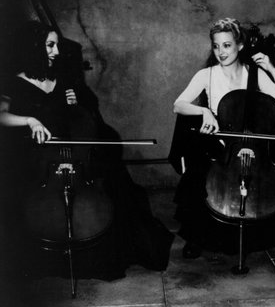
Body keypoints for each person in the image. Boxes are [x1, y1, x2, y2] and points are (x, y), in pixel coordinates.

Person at [0, 20, 174, 281]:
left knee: (115, 185)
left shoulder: (61, 77)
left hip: (73, 155)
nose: (56, 51)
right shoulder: (13, 83)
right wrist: (29, 120)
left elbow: (82, 119)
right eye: (50, 45)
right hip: (38, 158)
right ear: (33, 47)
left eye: (56, 45)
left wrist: (76, 102)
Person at [170, 18, 275, 259]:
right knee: (199, 174)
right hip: (218, 142)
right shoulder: (206, 74)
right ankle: (197, 236)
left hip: (249, 142)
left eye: (227, 45)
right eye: (216, 46)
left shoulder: (253, 74)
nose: (221, 52)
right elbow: (178, 105)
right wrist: (204, 111)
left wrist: (272, 69)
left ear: (240, 46)